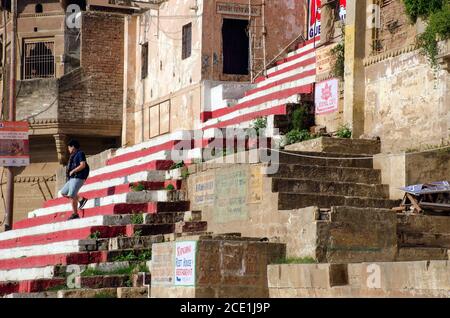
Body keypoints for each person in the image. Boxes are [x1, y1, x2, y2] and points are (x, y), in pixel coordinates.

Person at [60, 139, 90, 220]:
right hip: (72, 178)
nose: (68, 150)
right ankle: (81, 199)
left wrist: (73, 171)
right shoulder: (73, 156)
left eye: (69, 148)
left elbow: (83, 165)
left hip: (78, 177)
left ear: (73, 147)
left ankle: (75, 214)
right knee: (63, 192)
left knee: (72, 195)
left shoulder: (80, 153)